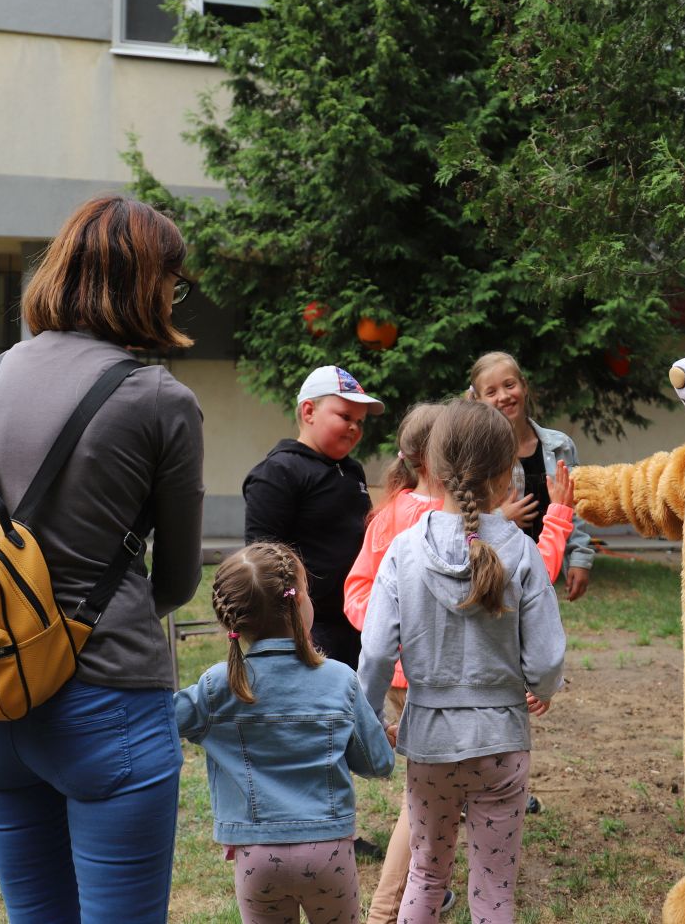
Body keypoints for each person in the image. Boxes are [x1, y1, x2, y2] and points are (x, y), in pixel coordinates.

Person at [0, 195, 205, 923]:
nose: (172, 296)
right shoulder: (160, 398)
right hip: (110, 703)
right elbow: (179, 578)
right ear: (143, 284)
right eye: (172, 281)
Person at [343, 402, 577, 924]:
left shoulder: (403, 551)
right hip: (502, 743)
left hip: (429, 743)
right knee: (494, 888)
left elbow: (377, 652)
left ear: (432, 464)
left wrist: (375, 719)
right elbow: (546, 658)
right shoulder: (521, 551)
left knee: (426, 874)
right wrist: (541, 686)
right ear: (505, 475)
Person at [175, 542, 395, 924]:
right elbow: (377, 764)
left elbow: (159, 719)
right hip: (327, 852)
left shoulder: (217, 686)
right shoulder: (340, 680)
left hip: (254, 857)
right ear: (298, 605)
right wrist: (380, 736)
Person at [243, 364, 383, 669]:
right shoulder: (278, 472)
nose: (355, 428)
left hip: (357, 619)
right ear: (309, 412)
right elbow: (262, 561)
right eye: (345, 417)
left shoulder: (352, 470)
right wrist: (289, 626)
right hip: (308, 626)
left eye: (360, 422)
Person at [468, 351, 593, 601]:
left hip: (546, 568)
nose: (503, 396)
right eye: (491, 392)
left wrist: (580, 558)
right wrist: (501, 517)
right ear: (478, 400)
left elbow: (575, 507)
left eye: (509, 385)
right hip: (499, 574)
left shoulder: (561, 446)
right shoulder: (476, 454)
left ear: (523, 386)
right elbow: (461, 516)